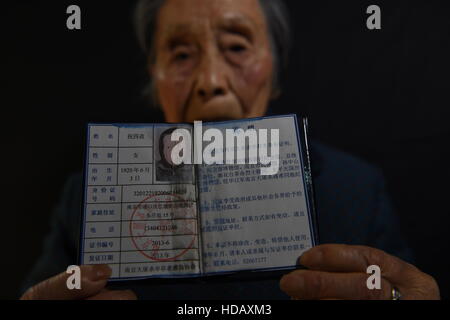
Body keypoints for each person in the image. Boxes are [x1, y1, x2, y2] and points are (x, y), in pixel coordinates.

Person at [20, 0, 439, 300]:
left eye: (237, 46)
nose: (211, 80)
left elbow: (404, 289)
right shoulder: (87, 196)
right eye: (181, 54)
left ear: (274, 71)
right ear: (155, 78)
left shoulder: (357, 190)